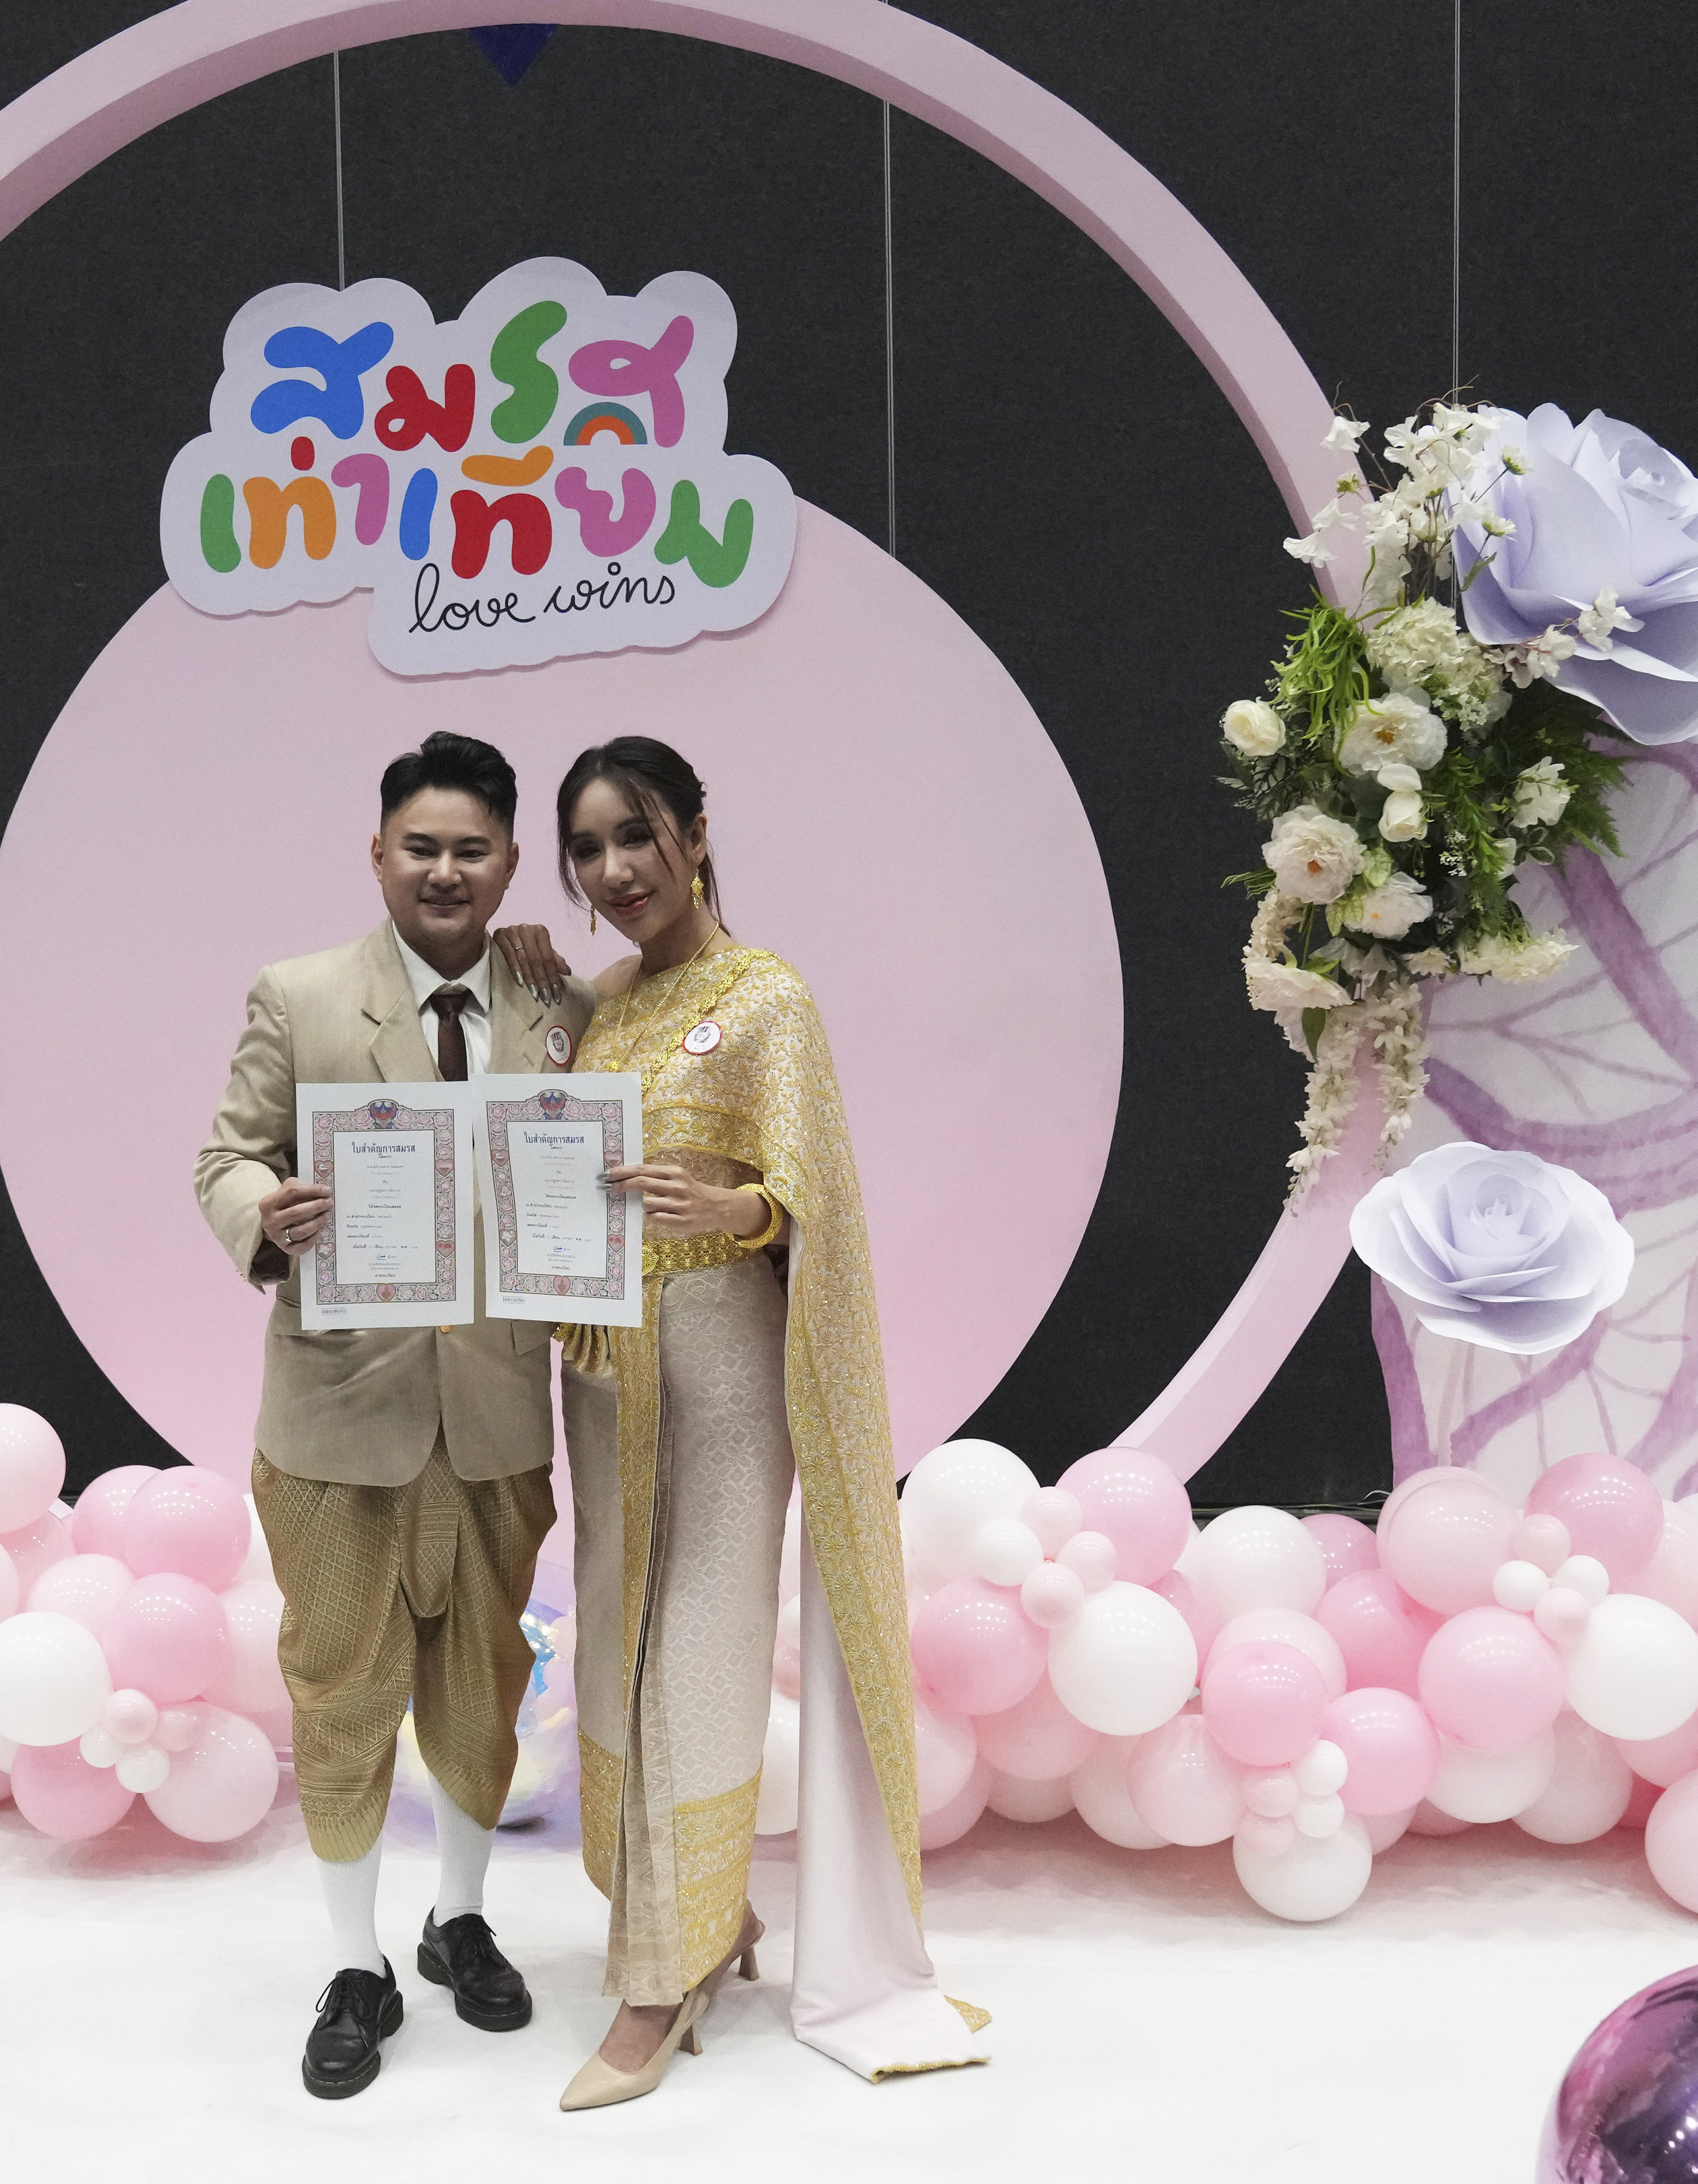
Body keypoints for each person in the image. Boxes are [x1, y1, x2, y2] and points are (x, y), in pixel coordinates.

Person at [492, 735, 988, 2110]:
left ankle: (656, 1984)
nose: (613, 869)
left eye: (635, 834)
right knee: (616, 1654)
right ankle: (712, 1922)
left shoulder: (768, 998)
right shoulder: (604, 1002)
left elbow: (817, 1191)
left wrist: (748, 1212)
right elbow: (531, 1127)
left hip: (718, 1372)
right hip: (599, 1379)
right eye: (586, 847)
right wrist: (530, 987)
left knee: (697, 1657)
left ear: (697, 832)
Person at [195, 730, 596, 2100]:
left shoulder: (558, 1006)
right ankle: (354, 1959)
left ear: (508, 863)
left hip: (496, 1410)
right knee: (344, 1688)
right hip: (334, 1414)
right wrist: (266, 1211)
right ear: (378, 854)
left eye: (471, 847)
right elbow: (226, 1155)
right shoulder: (299, 995)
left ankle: (458, 1919)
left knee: (483, 1685)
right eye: (419, 845)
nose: (444, 869)